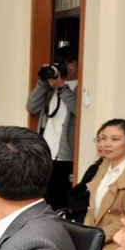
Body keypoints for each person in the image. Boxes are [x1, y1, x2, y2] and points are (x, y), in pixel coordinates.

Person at [84, 119, 125, 250]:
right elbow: (91, 210)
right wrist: (85, 234)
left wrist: (97, 236)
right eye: (103, 138)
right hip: (93, 240)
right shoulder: (102, 168)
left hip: (115, 245)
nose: (106, 144)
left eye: (115, 139)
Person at [26, 47, 78, 209]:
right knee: (43, 200)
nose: (65, 67)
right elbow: (31, 107)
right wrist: (43, 82)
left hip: (66, 156)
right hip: (45, 154)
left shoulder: (79, 87)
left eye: (69, 63)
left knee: (61, 202)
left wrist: (62, 87)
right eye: (62, 63)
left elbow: (79, 110)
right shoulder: (50, 87)